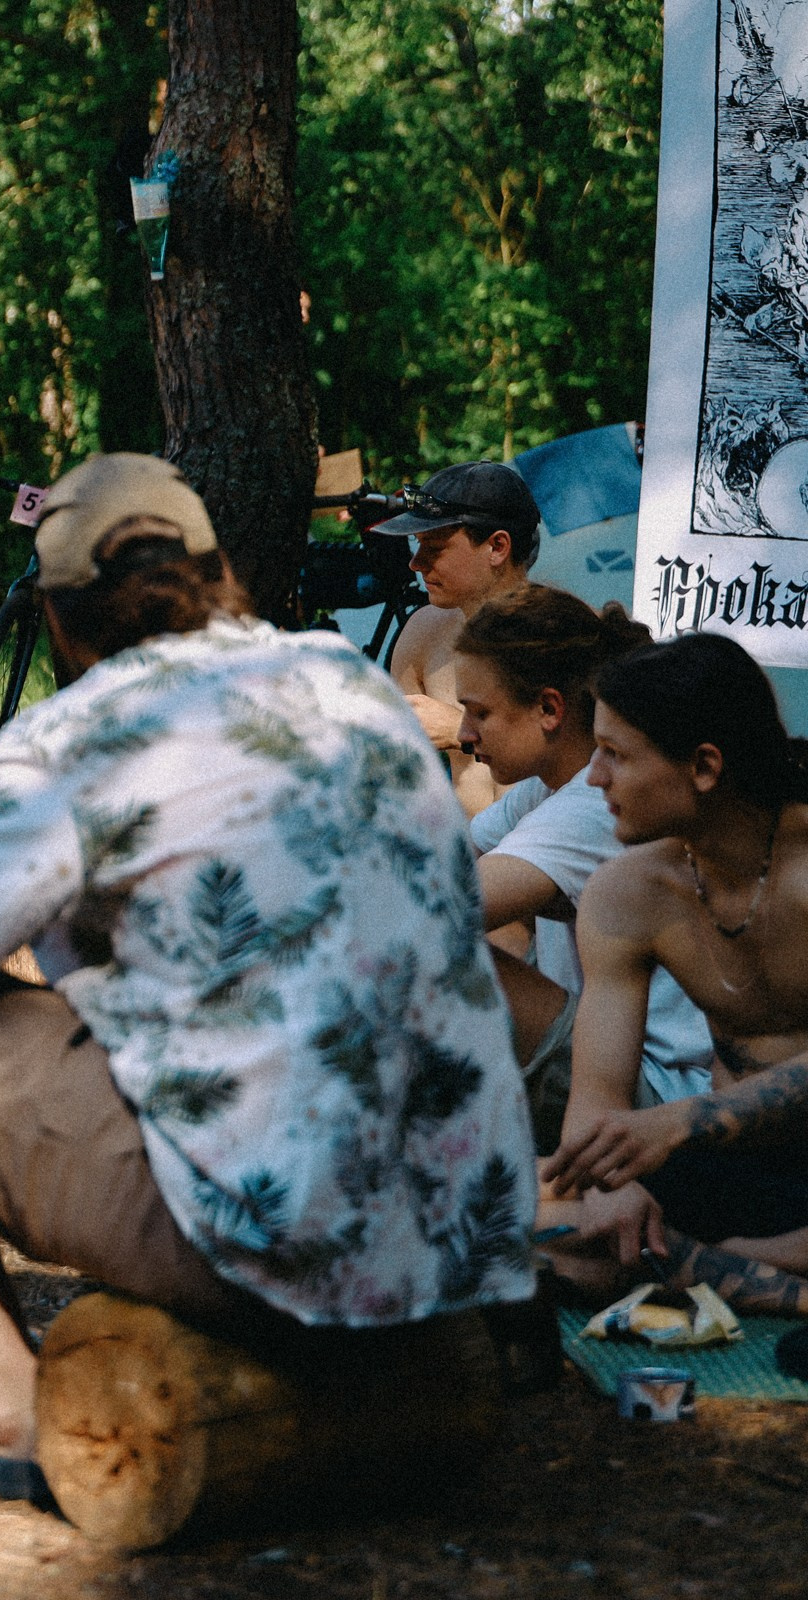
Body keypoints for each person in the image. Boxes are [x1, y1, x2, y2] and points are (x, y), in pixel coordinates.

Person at [0, 454, 535, 1497]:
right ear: (222, 575)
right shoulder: (346, 679)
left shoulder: (80, 736)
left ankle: (7, 1411)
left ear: (58, 615)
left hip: (281, 1235)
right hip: (462, 1228)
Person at [539, 633, 808, 1315]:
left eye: (616, 754)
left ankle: (708, 1265)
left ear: (705, 767)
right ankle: (759, 1271)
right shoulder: (628, 892)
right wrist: (611, 1186)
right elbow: (596, 1095)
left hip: (735, 1147)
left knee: (583, 1257)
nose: (594, 777)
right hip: (733, 1175)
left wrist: (686, 1120)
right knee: (518, 1209)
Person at [452, 586, 713, 1143]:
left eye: (480, 712)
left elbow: (435, 907)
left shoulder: (595, 804)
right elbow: (441, 863)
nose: (463, 735)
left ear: (549, 709)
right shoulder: (548, 788)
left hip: (659, 1091)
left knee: (440, 955)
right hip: (604, 1057)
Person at [374, 461, 542, 816]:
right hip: (464, 846)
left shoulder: (562, 637)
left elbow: (575, 769)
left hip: (546, 844)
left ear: (497, 547)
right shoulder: (423, 632)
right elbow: (401, 781)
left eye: (435, 548)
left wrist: (459, 731)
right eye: (417, 545)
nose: (416, 563)